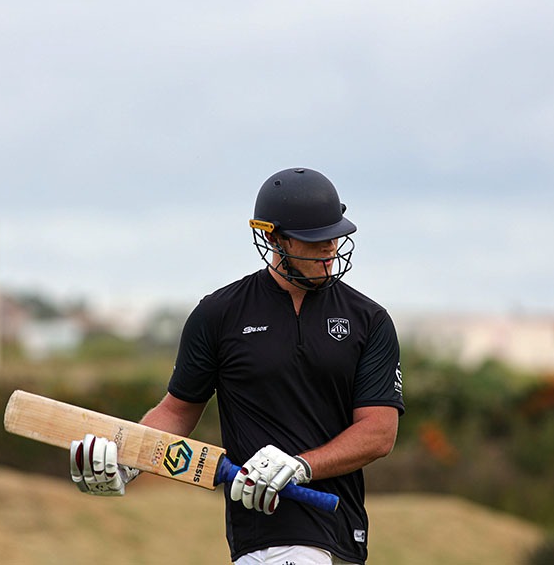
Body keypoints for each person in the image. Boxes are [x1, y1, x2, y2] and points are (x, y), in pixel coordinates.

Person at [69, 167, 405, 564]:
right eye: (314, 241)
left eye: (333, 236)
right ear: (272, 237)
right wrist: (128, 458)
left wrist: (299, 467)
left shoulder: (369, 320)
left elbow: (379, 432)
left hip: (340, 530)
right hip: (257, 536)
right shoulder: (219, 314)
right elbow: (177, 411)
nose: (330, 249)